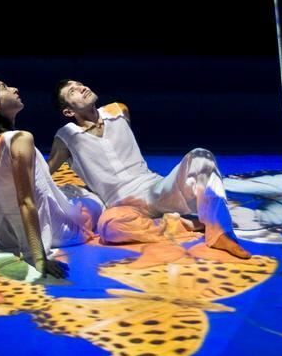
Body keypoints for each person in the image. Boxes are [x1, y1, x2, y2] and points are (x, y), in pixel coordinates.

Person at [48, 79, 250, 258]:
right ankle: (185, 224)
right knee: (108, 227)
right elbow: (44, 173)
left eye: (80, 84)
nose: (82, 88)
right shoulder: (67, 137)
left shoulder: (118, 110)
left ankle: (220, 232)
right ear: (68, 112)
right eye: (73, 91)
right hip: (121, 205)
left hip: (153, 189)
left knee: (201, 157)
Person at [0, 77, 101, 277]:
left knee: (69, 191)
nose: (15, 88)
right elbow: (25, 201)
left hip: (8, 236)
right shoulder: (20, 139)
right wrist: (39, 258)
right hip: (59, 230)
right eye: (4, 87)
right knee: (96, 200)